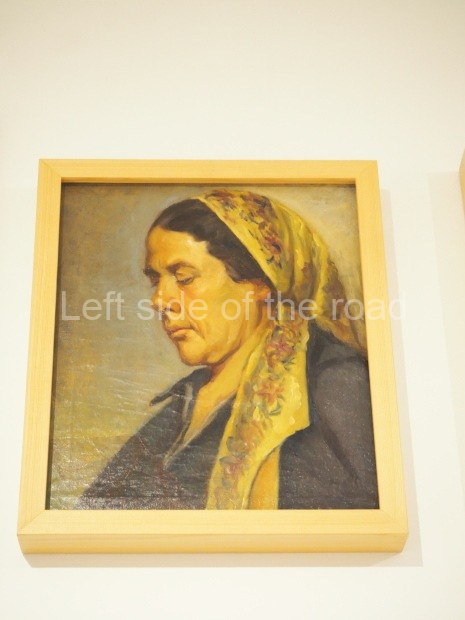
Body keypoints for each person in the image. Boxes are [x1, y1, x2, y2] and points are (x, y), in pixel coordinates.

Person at [77, 189, 378, 510]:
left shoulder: (336, 384)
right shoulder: (183, 402)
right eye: (156, 281)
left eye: (184, 278)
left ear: (259, 284)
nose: (159, 300)